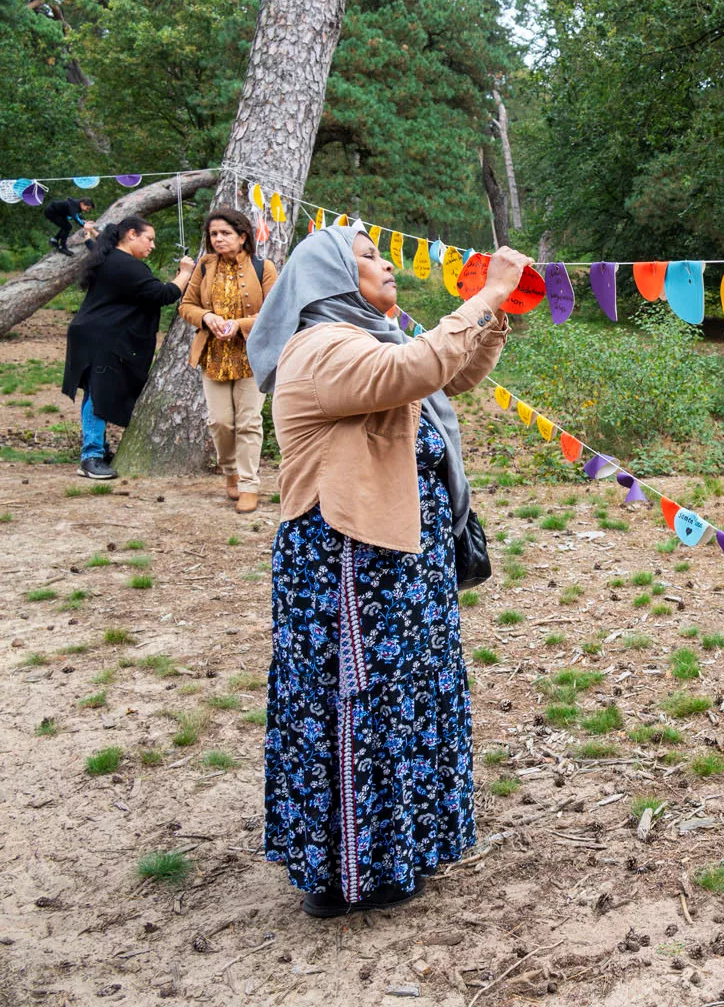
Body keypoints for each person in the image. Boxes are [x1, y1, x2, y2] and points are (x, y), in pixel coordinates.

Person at [247, 226, 523, 917]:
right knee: (353, 706)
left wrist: (493, 311)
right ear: (330, 278)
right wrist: (485, 294)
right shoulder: (318, 350)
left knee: (407, 701)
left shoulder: (374, 339)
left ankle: (399, 851)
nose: (387, 263)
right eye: (368, 257)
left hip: (401, 557)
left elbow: (450, 371)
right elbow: (417, 369)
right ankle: (345, 875)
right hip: (349, 560)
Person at [61, 217, 195, 479]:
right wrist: (185, 273)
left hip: (96, 334)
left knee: (100, 391)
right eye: (149, 238)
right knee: (97, 394)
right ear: (132, 234)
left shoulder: (112, 259)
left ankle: (99, 448)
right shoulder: (123, 264)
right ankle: (91, 457)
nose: (152, 245)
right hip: (100, 337)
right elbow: (162, 294)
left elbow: (146, 291)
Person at [178, 207, 278, 513]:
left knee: (249, 422)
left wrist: (240, 324)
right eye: (213, 234)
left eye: (225, 233)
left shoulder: (264, 268)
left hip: (251, 356)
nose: (218, 239)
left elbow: (276, 312)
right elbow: (186, 306)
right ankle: (230, 471)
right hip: (214, 356)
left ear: (242, 236)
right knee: (220, 422)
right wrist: (206, 317)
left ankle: (249, 485)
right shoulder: (205, 266)